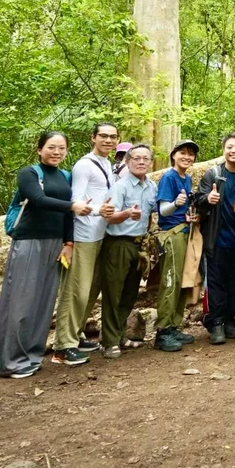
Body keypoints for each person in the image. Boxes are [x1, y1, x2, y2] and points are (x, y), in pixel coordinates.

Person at [0, 131, 88, 378]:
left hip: (55, 243)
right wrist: (72, 205)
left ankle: (33, 356)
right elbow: (36, 199)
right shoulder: (29, 173)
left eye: (61, 148)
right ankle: (12, 362)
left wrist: (68, 242)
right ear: (40, 149)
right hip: (29, 241)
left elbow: (68, 215)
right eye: (51, 147)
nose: (56, 152)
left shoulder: (66, 176)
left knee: (45, 301)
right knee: (22, 301)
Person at [51, 122, 118, 367]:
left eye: (112, 137)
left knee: (90, 290)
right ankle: (63, 346)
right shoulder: (83, 165)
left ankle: (76, 334)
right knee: (75, 291)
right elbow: (76, 202)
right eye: (103, 136)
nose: (108, 140)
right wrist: (98, 210)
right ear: (93, 138)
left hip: (100, 235)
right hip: (82, 236)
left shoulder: (108, 165)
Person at [101, 144, 157, 359]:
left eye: (145, 159)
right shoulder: (120, 187)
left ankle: (120, 335)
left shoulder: (151, 186)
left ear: (150, 162)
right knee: (113, 293)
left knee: (130, 292)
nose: (141, 162)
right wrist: (125, 214)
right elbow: (108, 216)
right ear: (127, 161)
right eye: (136, 158)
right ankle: (109, 342)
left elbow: (151, 213)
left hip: (139, 245)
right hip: (118, 243)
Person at [193, 133, 235, 346]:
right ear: (224, 150)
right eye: (230, 147)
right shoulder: (213, 174)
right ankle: (215, 322)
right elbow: (198, 199)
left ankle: (228, 319)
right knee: (216, 283)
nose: (234, 151)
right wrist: (208, 199)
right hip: (217, 239)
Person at [154, 139, 199, 352]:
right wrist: (176, 204)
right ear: (174, 155)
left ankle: (173, 325)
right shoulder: (169, 178)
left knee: (182, 281)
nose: (187, 157)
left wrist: (189, 216)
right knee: (170, 281)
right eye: (183, 152)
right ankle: (162, 331)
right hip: (171, 235)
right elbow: (163, 211)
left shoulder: (187, 178)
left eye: (191, 154)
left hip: (184, 231)